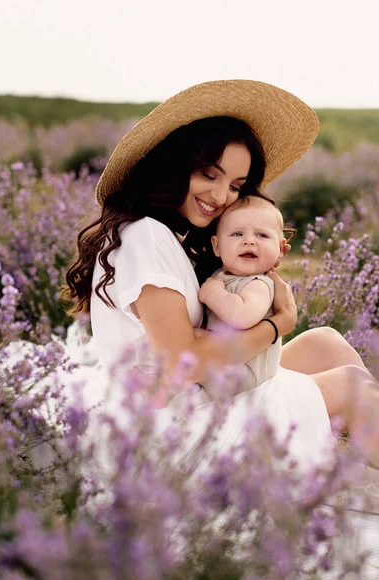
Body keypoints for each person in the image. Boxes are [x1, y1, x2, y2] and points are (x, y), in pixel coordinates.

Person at [63, 79, 379, 470]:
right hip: (177, 436)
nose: (221, 196)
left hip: (201, 399)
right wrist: (279, 323)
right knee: (356, 386)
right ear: (176, 166)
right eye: (209, 175)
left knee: (326, 343)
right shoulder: (144, 236)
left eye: (235, 185)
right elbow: (187, 363)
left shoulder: (165, 235)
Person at [199, 195, 295, 390]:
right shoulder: (222, 275)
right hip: (228, 361)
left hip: (247, 374)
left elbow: (240, 316)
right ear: (216, 246)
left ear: (280, 249)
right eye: (236, 234)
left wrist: (213, 294)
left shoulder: (259, 284)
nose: (249, 241)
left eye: (262, 235)